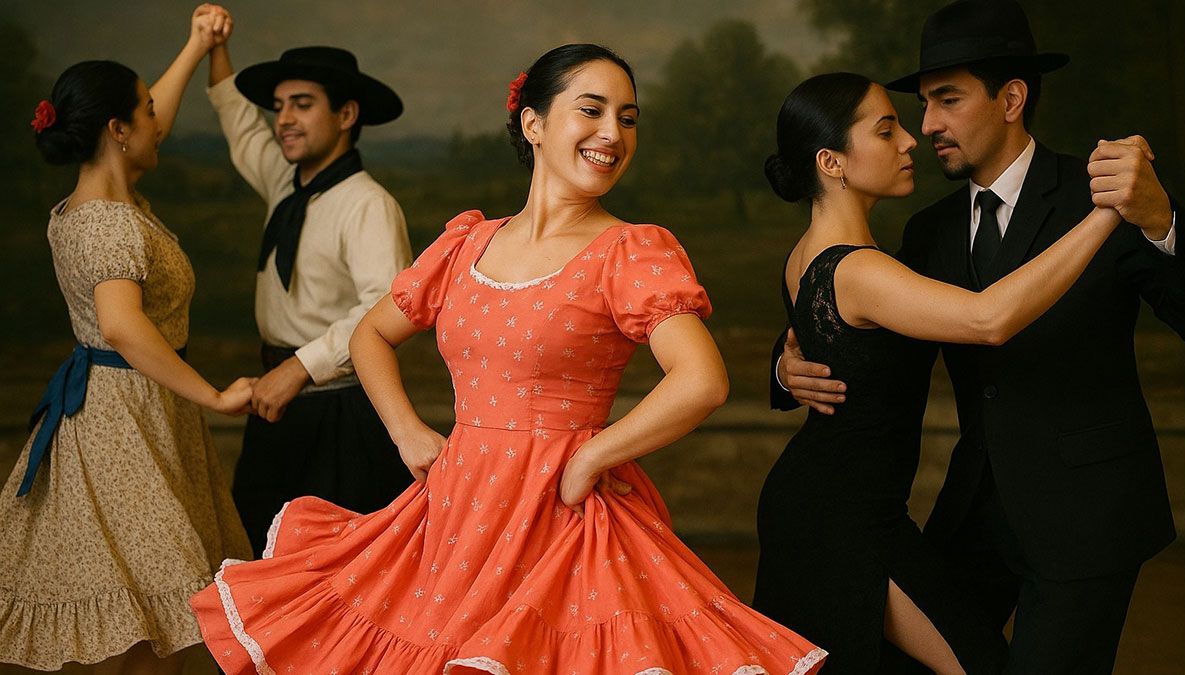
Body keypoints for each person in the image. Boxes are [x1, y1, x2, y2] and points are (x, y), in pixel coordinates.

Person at [188, 44, 828, 674]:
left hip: (565, 512)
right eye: (592, 110)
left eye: (628, 118)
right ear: (533, 123)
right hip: (457, 509)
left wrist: (592, 456)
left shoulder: (629, 251)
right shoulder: (467, 242)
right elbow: (370, 335)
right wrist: (407, 432)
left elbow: (701, 380)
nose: (613, 133)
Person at [771, 1, 1185, 671]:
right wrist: (785, 365)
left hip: (1087, 514)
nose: (926, 127)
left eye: (946, 100)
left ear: (1011, 100)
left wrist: (1160, 219)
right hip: (973, 513)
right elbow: (861, 320)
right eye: (919, 107)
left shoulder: (1106, 192)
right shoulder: (928, 232)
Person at [0, 8, 253, 674]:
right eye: (145, 111)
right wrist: (213, 396)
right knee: (159, 613)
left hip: (136, 407)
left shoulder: (94, 203)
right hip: (122, 422)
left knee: (154, 620)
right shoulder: (109, 223)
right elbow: (121, 325)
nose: (157, 121)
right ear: (117, 130)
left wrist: (196, 45)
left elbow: (149, 123)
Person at [200, 4, 414, 557]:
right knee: (260, 551)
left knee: (337, 564)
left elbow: (385, 309)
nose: (283, 120)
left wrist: (298, 368)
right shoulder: (285, 182)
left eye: (302, 104)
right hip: (276, 400)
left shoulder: (368, 204)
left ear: (346, 114)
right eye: (278, 107)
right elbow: (240, 124)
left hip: (341, 410)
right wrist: (215, 47)